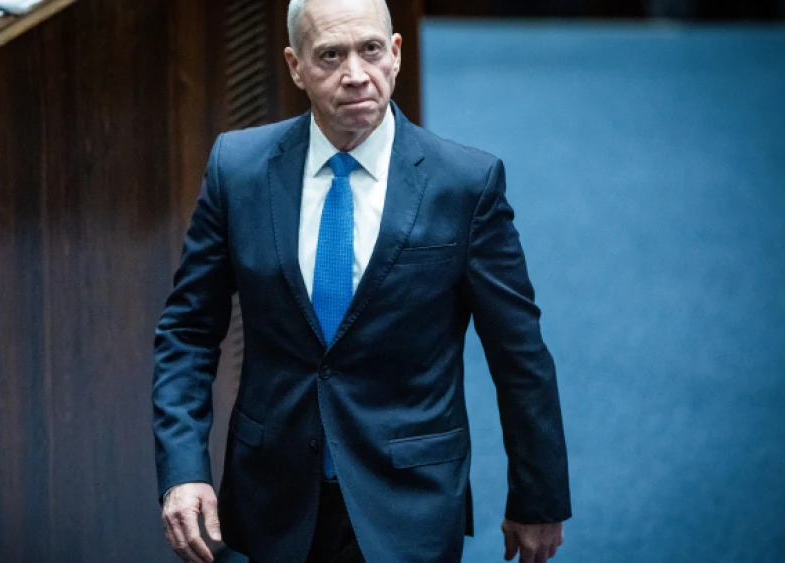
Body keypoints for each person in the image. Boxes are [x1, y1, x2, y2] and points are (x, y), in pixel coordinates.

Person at [152, 0, 571, 561]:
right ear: (295, 66)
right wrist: (183, 471)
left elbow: (519, 354)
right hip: (271, 497)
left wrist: (538, 498)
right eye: (330, 55)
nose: (355, 74)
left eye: (370, 49)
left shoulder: (465, 185)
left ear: (395, 54)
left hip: (407, 503)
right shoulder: (239, 168)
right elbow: (187, 332)